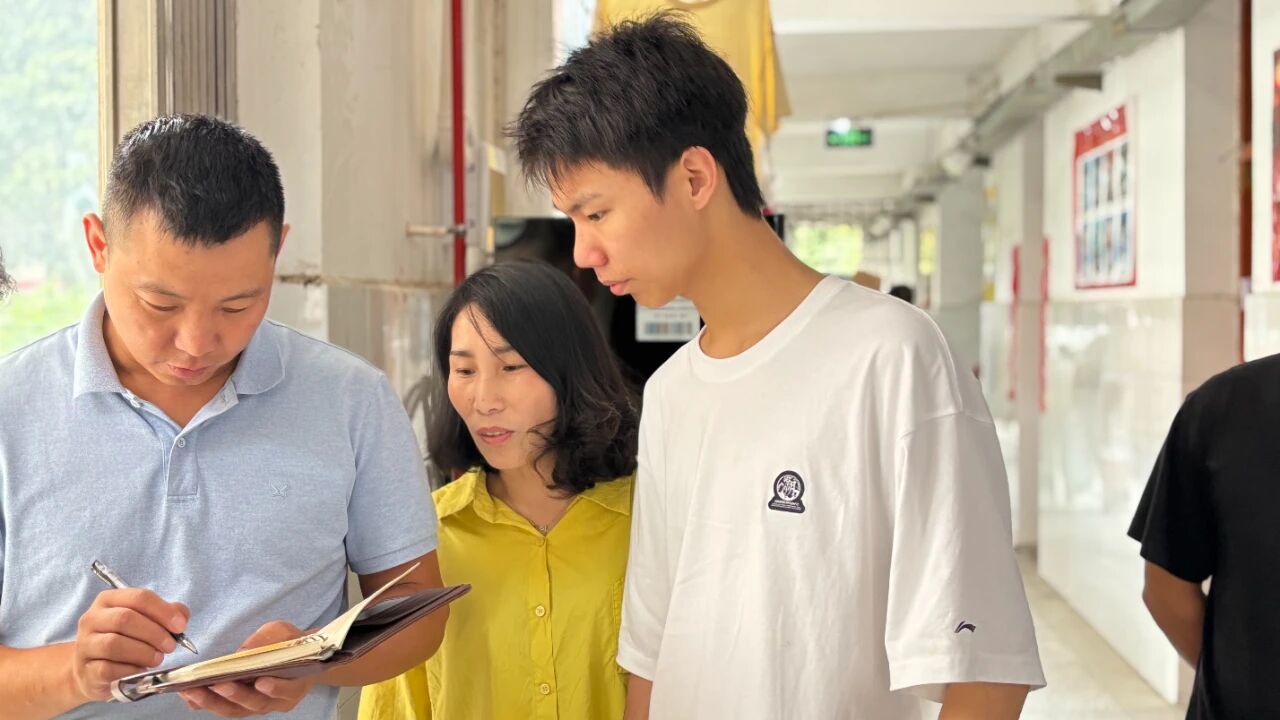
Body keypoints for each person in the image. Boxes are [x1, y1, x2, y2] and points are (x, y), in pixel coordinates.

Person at [510, 14, 1045, 719]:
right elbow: (652, 652)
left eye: (596, 213)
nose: (583, 252)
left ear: (695, 177)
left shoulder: (889, 354)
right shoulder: (670, 393)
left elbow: (984, 671)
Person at [0, 114, 447, 719]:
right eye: (160, 304)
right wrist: (75, 671)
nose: (196, 342)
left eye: (238, 305)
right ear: (98, 246)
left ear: (277, 251)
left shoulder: (352, 400)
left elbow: (419, 611)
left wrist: (315, 662)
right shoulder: (10, 406)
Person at [358, 261, 639, 719]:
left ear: (569, 370)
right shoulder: (425, 537)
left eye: (511, 366)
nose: (485, 400)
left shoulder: (647, 518)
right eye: (464, 370)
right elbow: (395, 704)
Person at [1129, 357, 1280, 719]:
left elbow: (1166, 592)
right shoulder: (1222, 409)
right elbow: (1166, 589)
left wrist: (1239, 677)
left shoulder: (1224, 404)